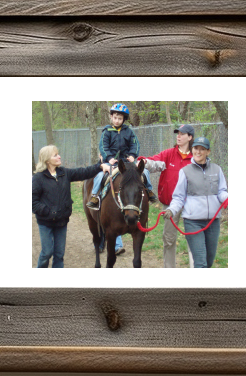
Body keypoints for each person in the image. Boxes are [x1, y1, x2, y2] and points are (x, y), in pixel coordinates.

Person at [86, 103, 157, 255]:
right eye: (115, 117)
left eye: (120, 118)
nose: (117, 120)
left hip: (127, 162)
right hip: (111, 162)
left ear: (124, 119)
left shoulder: (129, 132)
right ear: (111, 117)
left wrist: (132, 155)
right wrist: (109, 158)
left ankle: (149, 191)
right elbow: (103, 147)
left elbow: (135, 145)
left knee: (145, 173)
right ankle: (94, 196)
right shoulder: (106, 132)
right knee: (100, 175)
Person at [32, 144, 109, 268]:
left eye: (58, 154)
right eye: (55, 155)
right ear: (47, 160)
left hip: (61, 222)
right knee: (46, 253)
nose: (59, 156)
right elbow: (33, 202)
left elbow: (84, 172)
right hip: (45, 222)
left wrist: (100, 166)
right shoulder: (38, 178)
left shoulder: (64, 173)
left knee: (59, 254)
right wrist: (48, 212)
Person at [163, 137, 228, 268]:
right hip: (193, 221)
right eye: (196, 148)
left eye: (202, 149)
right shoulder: (185, 171)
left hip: (213, 222)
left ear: (208, 151)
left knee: (209, 262)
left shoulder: (217, 170)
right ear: (192, 150)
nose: (198, 152)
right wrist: (171, 210)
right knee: (200, 262)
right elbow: (179, 197)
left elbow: (221, 191)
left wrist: (227, 198)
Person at [137, 124, 195, 268]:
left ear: (190, 137)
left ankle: (197, 270)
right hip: (170, 205)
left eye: (182, 134)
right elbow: (154, 162)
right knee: (169, 239)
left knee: (194, 239)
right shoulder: (169, 154)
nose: (179, 136)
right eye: (178, 133)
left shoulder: (196, 157)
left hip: (192, 205)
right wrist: (144, 162)